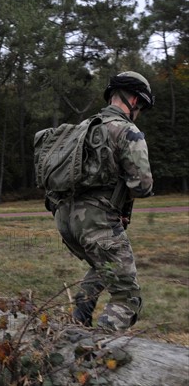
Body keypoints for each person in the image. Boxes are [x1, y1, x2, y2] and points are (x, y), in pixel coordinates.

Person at [52, 71, 154, 331]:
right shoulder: (127, 131)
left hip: (66, 219)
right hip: (97, 221)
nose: (139, 111)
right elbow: (142, 186)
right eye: (140, 106)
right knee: (127, 297)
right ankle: (96, 354)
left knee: (103, 264)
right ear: (132, 99)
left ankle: (78, 321)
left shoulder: (81, 128)